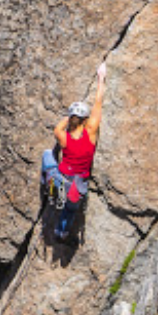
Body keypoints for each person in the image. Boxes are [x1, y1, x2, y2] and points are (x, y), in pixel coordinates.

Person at [42, 62, 107, 241]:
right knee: (70, 210)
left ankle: (45, 184)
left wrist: (69, 117)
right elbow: (98, 103)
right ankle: (61, 231)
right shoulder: (91, 132)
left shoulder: (62, 137)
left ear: (70, 119)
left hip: (61, 180)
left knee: (47, 154)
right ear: (85, 120)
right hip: (78, 185)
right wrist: (101, 78)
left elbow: (58, 127)